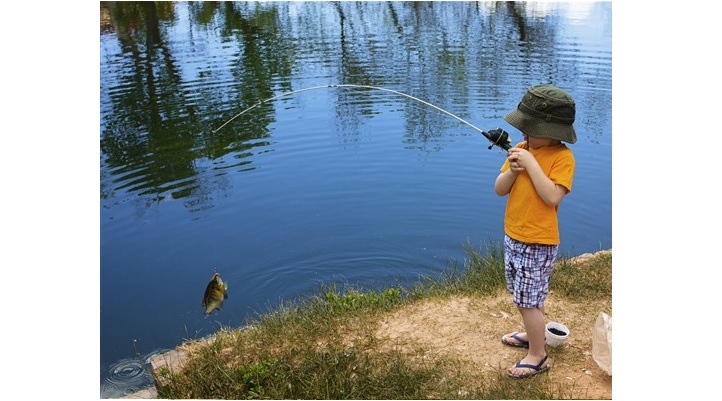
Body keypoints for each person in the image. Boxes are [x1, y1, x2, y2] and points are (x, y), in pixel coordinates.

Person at [493, 84, 576, 379]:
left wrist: (530, 165)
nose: (524, 133)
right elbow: (499, 190)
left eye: (531, 128)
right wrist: (514, 170)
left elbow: (552, 196)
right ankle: (534, 334)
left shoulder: (562, 158)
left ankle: (538, 355)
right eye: (523, 127)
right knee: (524, 295)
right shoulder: (524, 149)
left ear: (553, 131)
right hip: (513, 235)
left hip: (538, 241)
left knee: (528, 300)